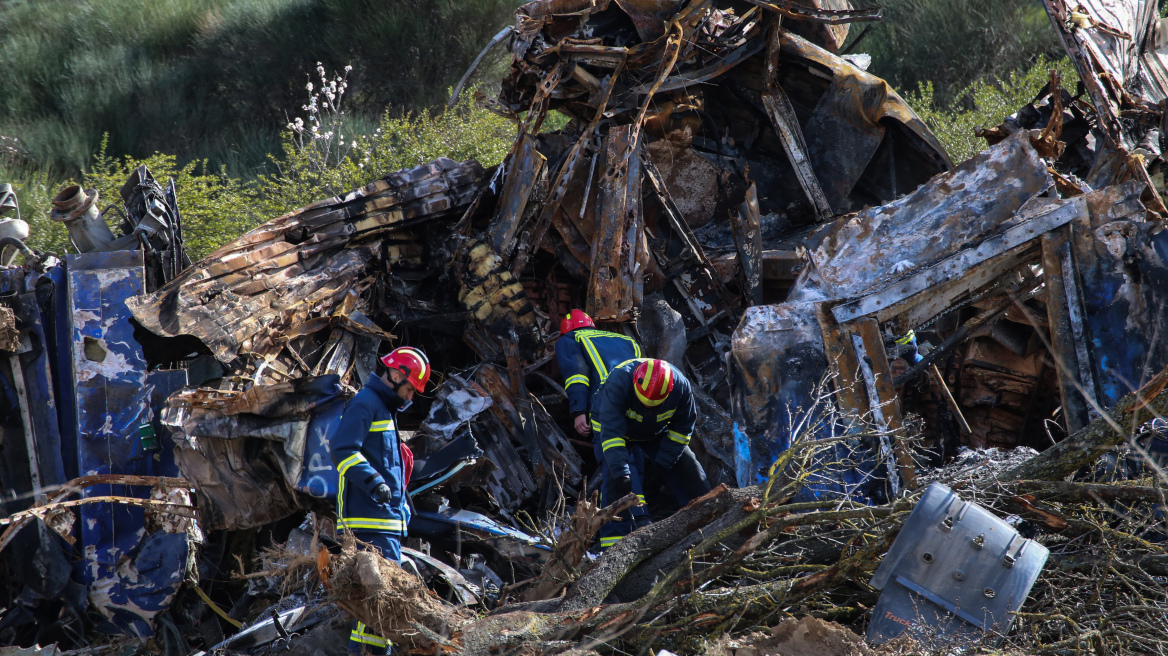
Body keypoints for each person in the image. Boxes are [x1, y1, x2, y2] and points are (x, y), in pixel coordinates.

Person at [330, 346, 430, 655]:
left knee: (376, 610)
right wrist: (374, 483)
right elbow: (342, 449)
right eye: (410, 389)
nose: (411, 397)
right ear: (397, 374)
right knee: (382, 604)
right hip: (369, 523)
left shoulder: (384, 409)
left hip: (383, 523)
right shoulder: (366, 403)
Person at [591, 358, 711, 548]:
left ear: (669, 390)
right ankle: (614, 545)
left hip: (654, 431)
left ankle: (710, 518)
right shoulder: (619, 382)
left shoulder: (681, 387)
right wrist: (621, 471)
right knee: (616, 479)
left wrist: (664, 461)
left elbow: (682, 430)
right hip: (612, 430)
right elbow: (612, 434)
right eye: (645, 403)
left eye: (654, 405)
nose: (648, 408)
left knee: (688, 467)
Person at [554, 310, 648, 529]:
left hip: (607, 407)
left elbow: (577, 376)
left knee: (614, 463)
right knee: (634, 458)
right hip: (639, 405)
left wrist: (578, 412)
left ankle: (625, 525)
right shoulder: (626, 340)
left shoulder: (570, 340)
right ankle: (641, 514)